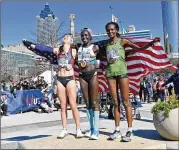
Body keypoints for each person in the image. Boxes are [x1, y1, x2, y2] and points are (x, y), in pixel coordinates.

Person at [98, 22, 160, 142]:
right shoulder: (106, 45)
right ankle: (116, 129)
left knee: (126, 102)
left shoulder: (123, 41)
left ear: (116, 30)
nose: (110, 32)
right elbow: (104, 57)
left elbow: (139, 48)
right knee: (115, 103)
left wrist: (151, 43)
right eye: (108, 30)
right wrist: (97, 51)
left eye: (112, 30)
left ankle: (129, 130)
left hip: (122, 74)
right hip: (111, 75)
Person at [23, 34, 84, 139]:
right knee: (63, 106)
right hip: (60, 79)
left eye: (67, 37)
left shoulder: (74, 51)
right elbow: (45, 49)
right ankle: (64, 129)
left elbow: (83, 58)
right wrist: (32, 45)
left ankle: (78, 129)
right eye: (64, 36)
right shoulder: (57, 50)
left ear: (71, 41)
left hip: (70, 79)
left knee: (73, 105)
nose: (65, 37)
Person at [77, 28, 100, 140]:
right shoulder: (79, 47)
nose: (84, 37)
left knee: (94, 101)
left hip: (93, 75)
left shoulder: (95, 47)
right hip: (82, 76)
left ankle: (96, 130)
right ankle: (91, 129)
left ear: (90, 36)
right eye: (82, 35)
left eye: (86, 35)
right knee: (87, 102)